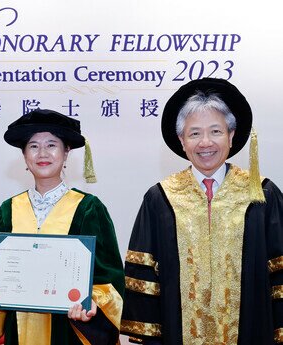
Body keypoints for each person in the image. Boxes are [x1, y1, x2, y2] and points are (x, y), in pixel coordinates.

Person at [120, 78, 283, 344]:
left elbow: (279, 273)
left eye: (216, 131)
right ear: (182, 141)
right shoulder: (160, 199)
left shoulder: (262, 194)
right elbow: (145, 278)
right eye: (194, 133)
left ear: (231, 136)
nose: (205, 142)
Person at [0, 109, 125, 345]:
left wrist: (90, 301)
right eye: (33, 146)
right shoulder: (9, 209)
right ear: (24, 156)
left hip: (69, 331)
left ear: (66, 152)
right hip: (19, 328)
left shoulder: (88, 208)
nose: (42, 153)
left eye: (52, 145)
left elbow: (111, 277)